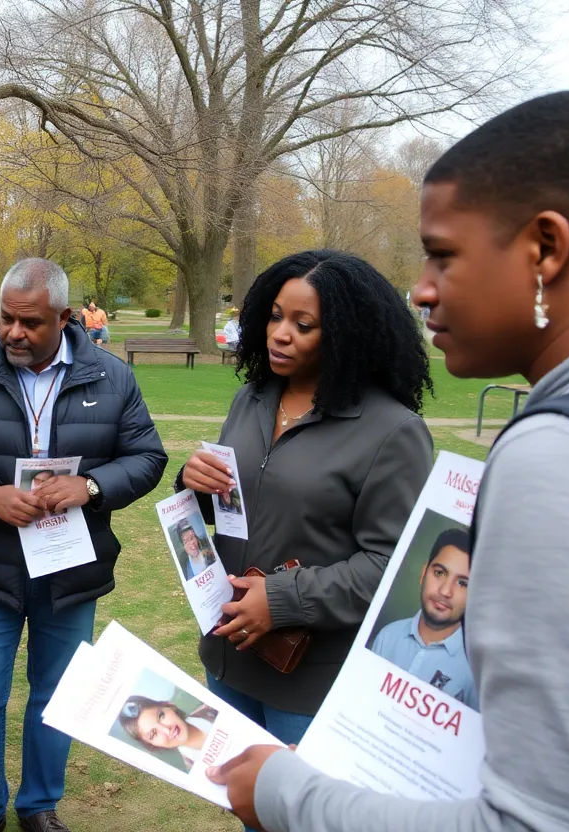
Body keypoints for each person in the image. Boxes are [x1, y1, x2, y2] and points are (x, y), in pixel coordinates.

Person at [207, 91, 569, 832]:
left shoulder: (567, 453)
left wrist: (288, 793)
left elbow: (539, 820)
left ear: (546, 247)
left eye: (444, 253)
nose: (420, 287)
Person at [0, 258, 168, 832]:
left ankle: (38, 806)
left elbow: (148, 458)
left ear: (64, 318)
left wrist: (93, 486)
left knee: (58, 696)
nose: (13, 333)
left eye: (29, 323)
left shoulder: (111, 376)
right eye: (5, 318)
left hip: (70, 571)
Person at [178, 249, 434, 775]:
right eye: (274, 316)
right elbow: (241, 503)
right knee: (243, 803)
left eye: (303, 324)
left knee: (296, 812)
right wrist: (195, 484)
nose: (280, 333)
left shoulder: (393, 432)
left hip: (312, 680)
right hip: (229, 658)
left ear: (345, 333)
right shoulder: (250, 400)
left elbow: (395, 569)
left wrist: (282, 599)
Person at [369, 528, 477, 710]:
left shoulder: (475, 671)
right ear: (423, 573)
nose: (445, 591)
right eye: (440, 573)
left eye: (462, 583)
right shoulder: (387, 635)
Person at [118, 697, 219, 770]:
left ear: (170, 707)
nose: (167, 730)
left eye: (161, 716)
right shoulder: (195, 769)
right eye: (153, 734)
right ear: (152, 745)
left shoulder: (214, 707)